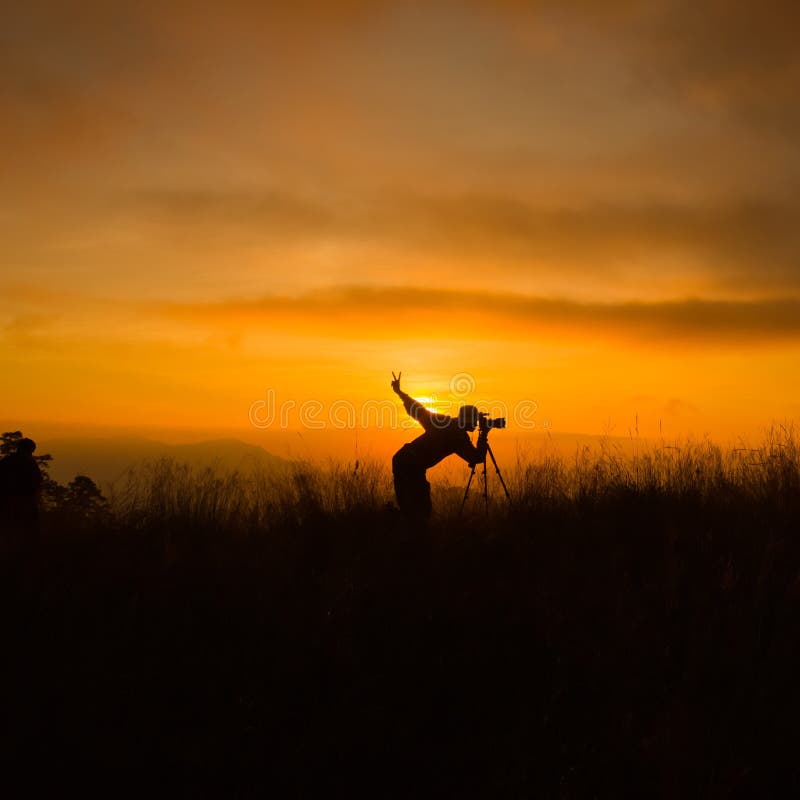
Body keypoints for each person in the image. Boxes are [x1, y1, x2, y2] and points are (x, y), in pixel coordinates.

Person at [391, 372, 489, 523]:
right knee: (420, 511)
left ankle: (397, 529)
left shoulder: (444, 422)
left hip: (403, 459)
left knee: (411, 509)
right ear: (467, 419)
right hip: (411, 464)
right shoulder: (459, 437)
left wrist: (400, 393)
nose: (476, 423)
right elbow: (477, 458)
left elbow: (418, 411)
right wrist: (484, 435)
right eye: (475, 419)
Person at [0, 437, 43, 552]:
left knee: (8, 531)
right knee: (28, 531)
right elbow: (37, 481)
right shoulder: (29, 462)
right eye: (31, 450)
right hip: (25, 502)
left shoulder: (6, 461)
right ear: (29, 449)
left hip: (6, 502)